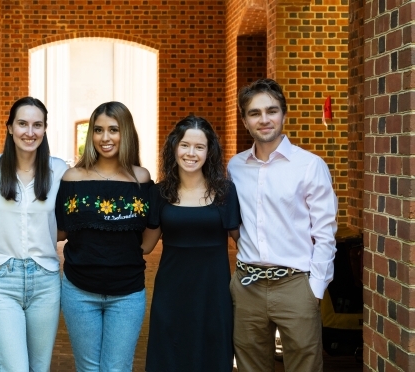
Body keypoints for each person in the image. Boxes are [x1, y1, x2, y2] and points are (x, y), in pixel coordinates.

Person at [227, 78, 338, 372]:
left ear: (283, 115)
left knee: (304, 366)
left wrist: (315, 288)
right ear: (244, 120)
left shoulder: (310, 165)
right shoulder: (234, 167)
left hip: (295, 285)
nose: (264, 119)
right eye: (254, 113)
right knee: (250, 366)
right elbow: (234, 221)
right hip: (247, 285)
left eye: (271, 111)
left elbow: (325, 234)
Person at [55, 101, 152, 372]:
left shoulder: (141, 179)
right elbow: (61, 230)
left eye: (113, 129)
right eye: (98, 130)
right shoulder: (72, 178)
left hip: (128, 293)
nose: (105, 138)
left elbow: (151, 227)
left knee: (116, 368)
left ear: (127, 133)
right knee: (88, 368)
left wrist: (132, 252)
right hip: (79, 291)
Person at [141, 115, 240, 371]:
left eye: (199, 147)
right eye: (185, 145)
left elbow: (244, 243)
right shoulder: (159, 193)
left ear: (210, 152)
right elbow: (146, 246)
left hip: (213, 294)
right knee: (170, 358)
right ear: (174, 147)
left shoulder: (225, 193)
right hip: (171, 294)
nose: (191, 153)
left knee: (212, 358)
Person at [0, 97, 68, 372]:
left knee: (39, 367)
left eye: (37, 125)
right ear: (9, 128)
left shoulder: (60, 171)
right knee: (15, 367)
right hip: (1, 279)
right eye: (22, 124)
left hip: (45, 279)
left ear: (44, 129)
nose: (29, 132)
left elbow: (67, 222)